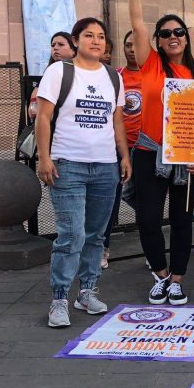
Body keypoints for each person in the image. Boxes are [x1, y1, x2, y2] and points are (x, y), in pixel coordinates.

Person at [34, 17, 131, 328]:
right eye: (88, 35)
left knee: (95, 235)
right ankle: (59, 299)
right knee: (71, 234)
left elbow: (116, 121)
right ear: (75, 40)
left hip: (105, 166)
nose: (96, 41)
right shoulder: (59, 71)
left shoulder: (114, 77)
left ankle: (87, 291)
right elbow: (44, 118)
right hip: (68, 165)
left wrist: (124, 156)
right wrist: (44, 158)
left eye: (101, 36)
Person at [126, 0, 194, 305]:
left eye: (178, 33)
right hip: (149, 150)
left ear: (186, 39)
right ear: (158, 41)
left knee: (181, 220)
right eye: (165, 34)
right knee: (146, 219)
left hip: (187, 157)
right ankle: (159, 274)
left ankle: (177, 279)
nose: (172, 37)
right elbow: (137, 25)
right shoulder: (151, 65)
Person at [101, 30, 143, 269]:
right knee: (111, 200)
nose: (132, 50)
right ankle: (103, 248)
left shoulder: (154, 75)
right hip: (118, 146)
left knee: (146, 200)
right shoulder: (115, 76)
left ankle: (150, 247)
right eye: (128, 45)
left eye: (136, 45)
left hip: (147, 147)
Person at [28, 32, 76, 119]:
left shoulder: (81, 72)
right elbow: (33, 110)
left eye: (61, 44)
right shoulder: (49, 72)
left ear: (73, 50)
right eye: (53, 45)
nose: (55, 48)